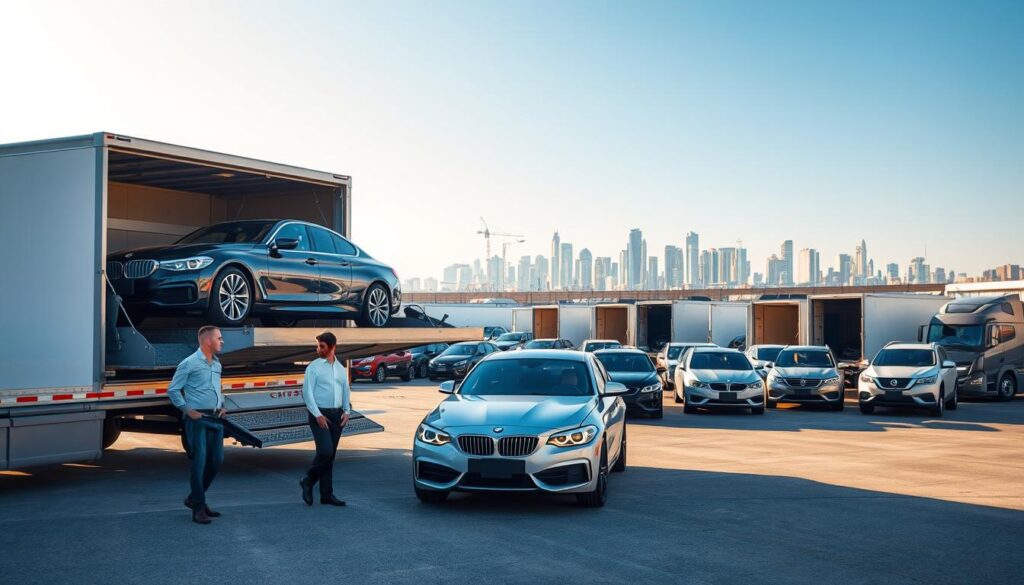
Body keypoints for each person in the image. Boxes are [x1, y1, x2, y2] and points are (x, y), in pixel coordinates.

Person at [167, 325, 226, 525]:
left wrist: (222, 405)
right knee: (199, 462)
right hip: (197, 419)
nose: (222, 341)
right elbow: (173, 390)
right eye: (219, 338)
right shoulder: (189, 363)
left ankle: (194, 498)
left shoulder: (217, 364)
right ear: (207, 341)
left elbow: (218, 388)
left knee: (217, 460)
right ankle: (198, 507)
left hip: (216, 418)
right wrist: (187, 410)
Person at [299, 331, 351, 507]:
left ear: (332, 347)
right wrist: (317, 414)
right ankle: (308, 480)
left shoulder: (340, 368)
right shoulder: (313, 367)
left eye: (322, 346)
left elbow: (345, 390)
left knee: (330, 457)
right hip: (319, 415)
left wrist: (347, 411)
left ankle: (326, 495)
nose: (318, 349)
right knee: (325, 452)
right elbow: (307, 394)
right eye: (318, 346)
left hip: (337, 416)